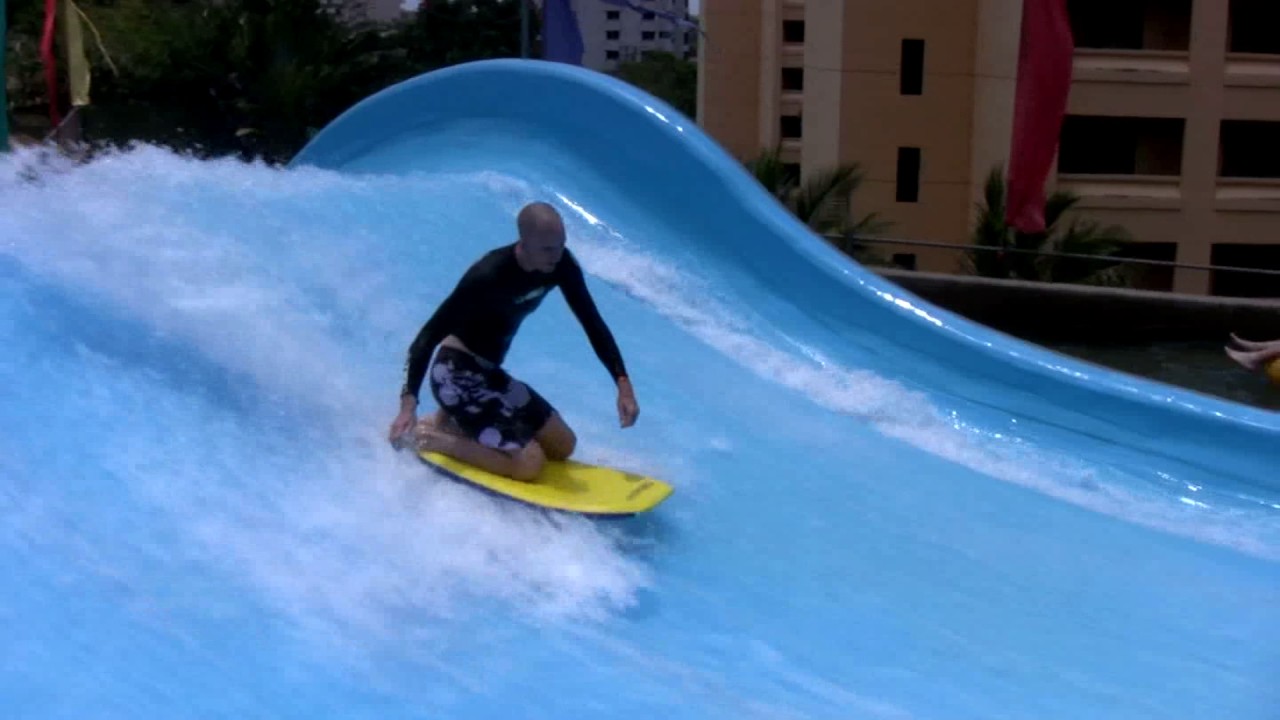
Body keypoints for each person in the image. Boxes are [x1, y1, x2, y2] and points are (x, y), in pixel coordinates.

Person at [388, 202, 639, 481]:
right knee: (529, 463)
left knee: (563, 445)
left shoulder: (561, 265)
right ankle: (431, 437)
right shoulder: (488, 275)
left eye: (560, 245)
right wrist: (407, 405)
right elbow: (426, 338)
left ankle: (451, 421)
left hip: (490, 375)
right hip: (455, 374)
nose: (557, 255)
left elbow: (593, 323)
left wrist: (623, 384)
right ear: (524, 243)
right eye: (547, 249)